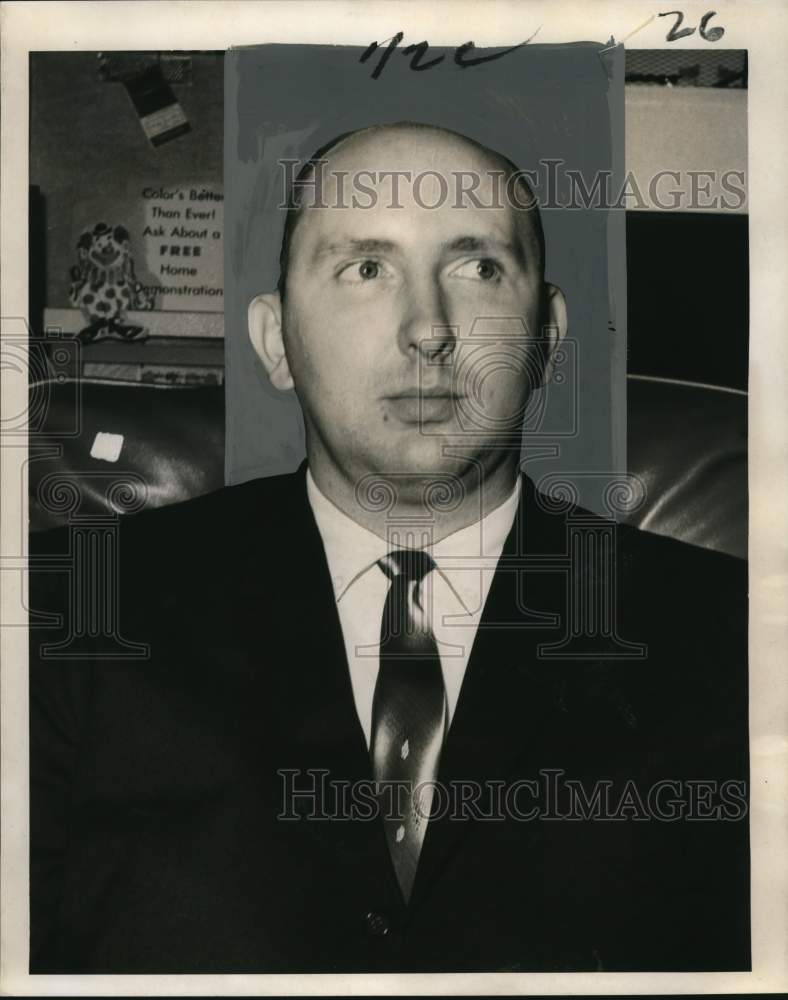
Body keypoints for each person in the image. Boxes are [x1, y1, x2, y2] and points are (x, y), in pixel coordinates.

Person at [29, 122, 749, 974]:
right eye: (365, 268)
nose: (428, 330)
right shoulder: (71, 609)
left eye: (478, 267)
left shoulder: (736, 636)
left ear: (546, 338)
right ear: (274, 340)